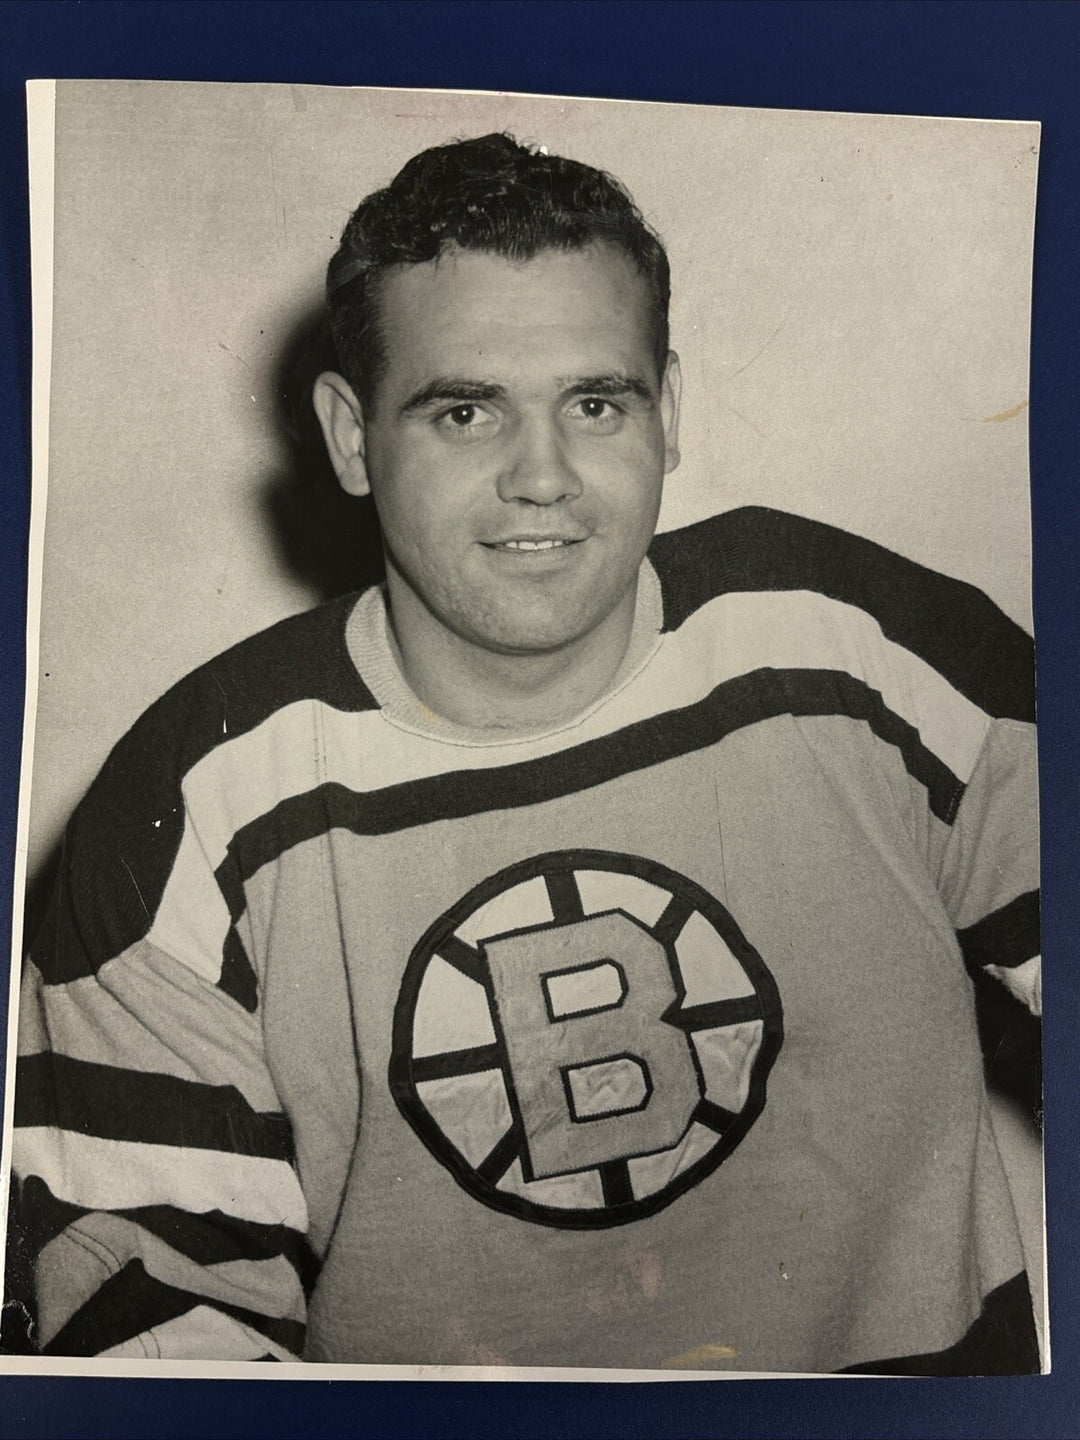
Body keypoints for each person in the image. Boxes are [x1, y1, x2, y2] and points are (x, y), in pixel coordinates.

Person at [6, 133, 1041, 1372]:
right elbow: (148, 1323)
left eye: (596, 404)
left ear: (671, 413)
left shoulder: (867, 652)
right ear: (349, 435)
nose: (541, 478)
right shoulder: (192, 807)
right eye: (464, 411)